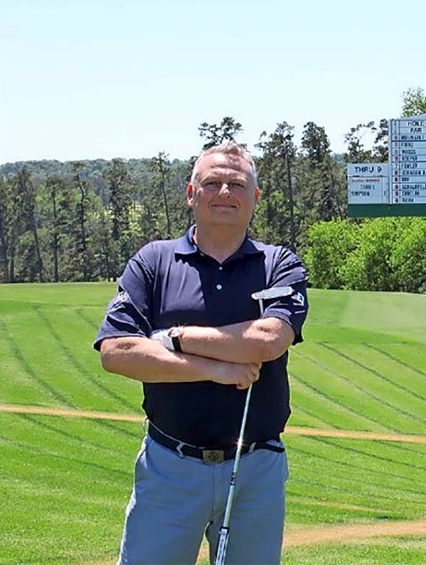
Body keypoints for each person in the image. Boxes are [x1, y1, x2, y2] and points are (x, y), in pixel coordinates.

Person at [94, 142, 309, 564]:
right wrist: (216, 369)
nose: (224, 192)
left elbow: (268, 340)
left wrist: (173, 336)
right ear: (192, 194)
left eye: (236, 184)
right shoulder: (153, 262)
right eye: (212, 183)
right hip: (169, 466)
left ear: (255, 197)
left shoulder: (278, 264)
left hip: (256, 469)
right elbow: (117, 351)